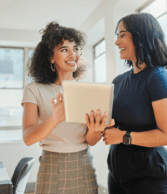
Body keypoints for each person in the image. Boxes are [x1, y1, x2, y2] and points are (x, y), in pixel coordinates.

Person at [21, 21, 109, 194]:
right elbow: (28, 138)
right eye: (64, 49)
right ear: (51, 57)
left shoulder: (87, 91)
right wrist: (56, 118)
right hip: (51, 166)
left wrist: (95, 129)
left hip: (83, 163)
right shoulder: (34, 89)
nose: (72, 54)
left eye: (75, 49)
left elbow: (90, 140)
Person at [104, 13, 167, 194]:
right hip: (117, 176)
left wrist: (122, 136)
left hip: (149, 178)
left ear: (140, 36)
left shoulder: (158, 78)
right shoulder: (119, 81)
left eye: (122, 35)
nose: (116, 42)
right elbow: (113, 125)